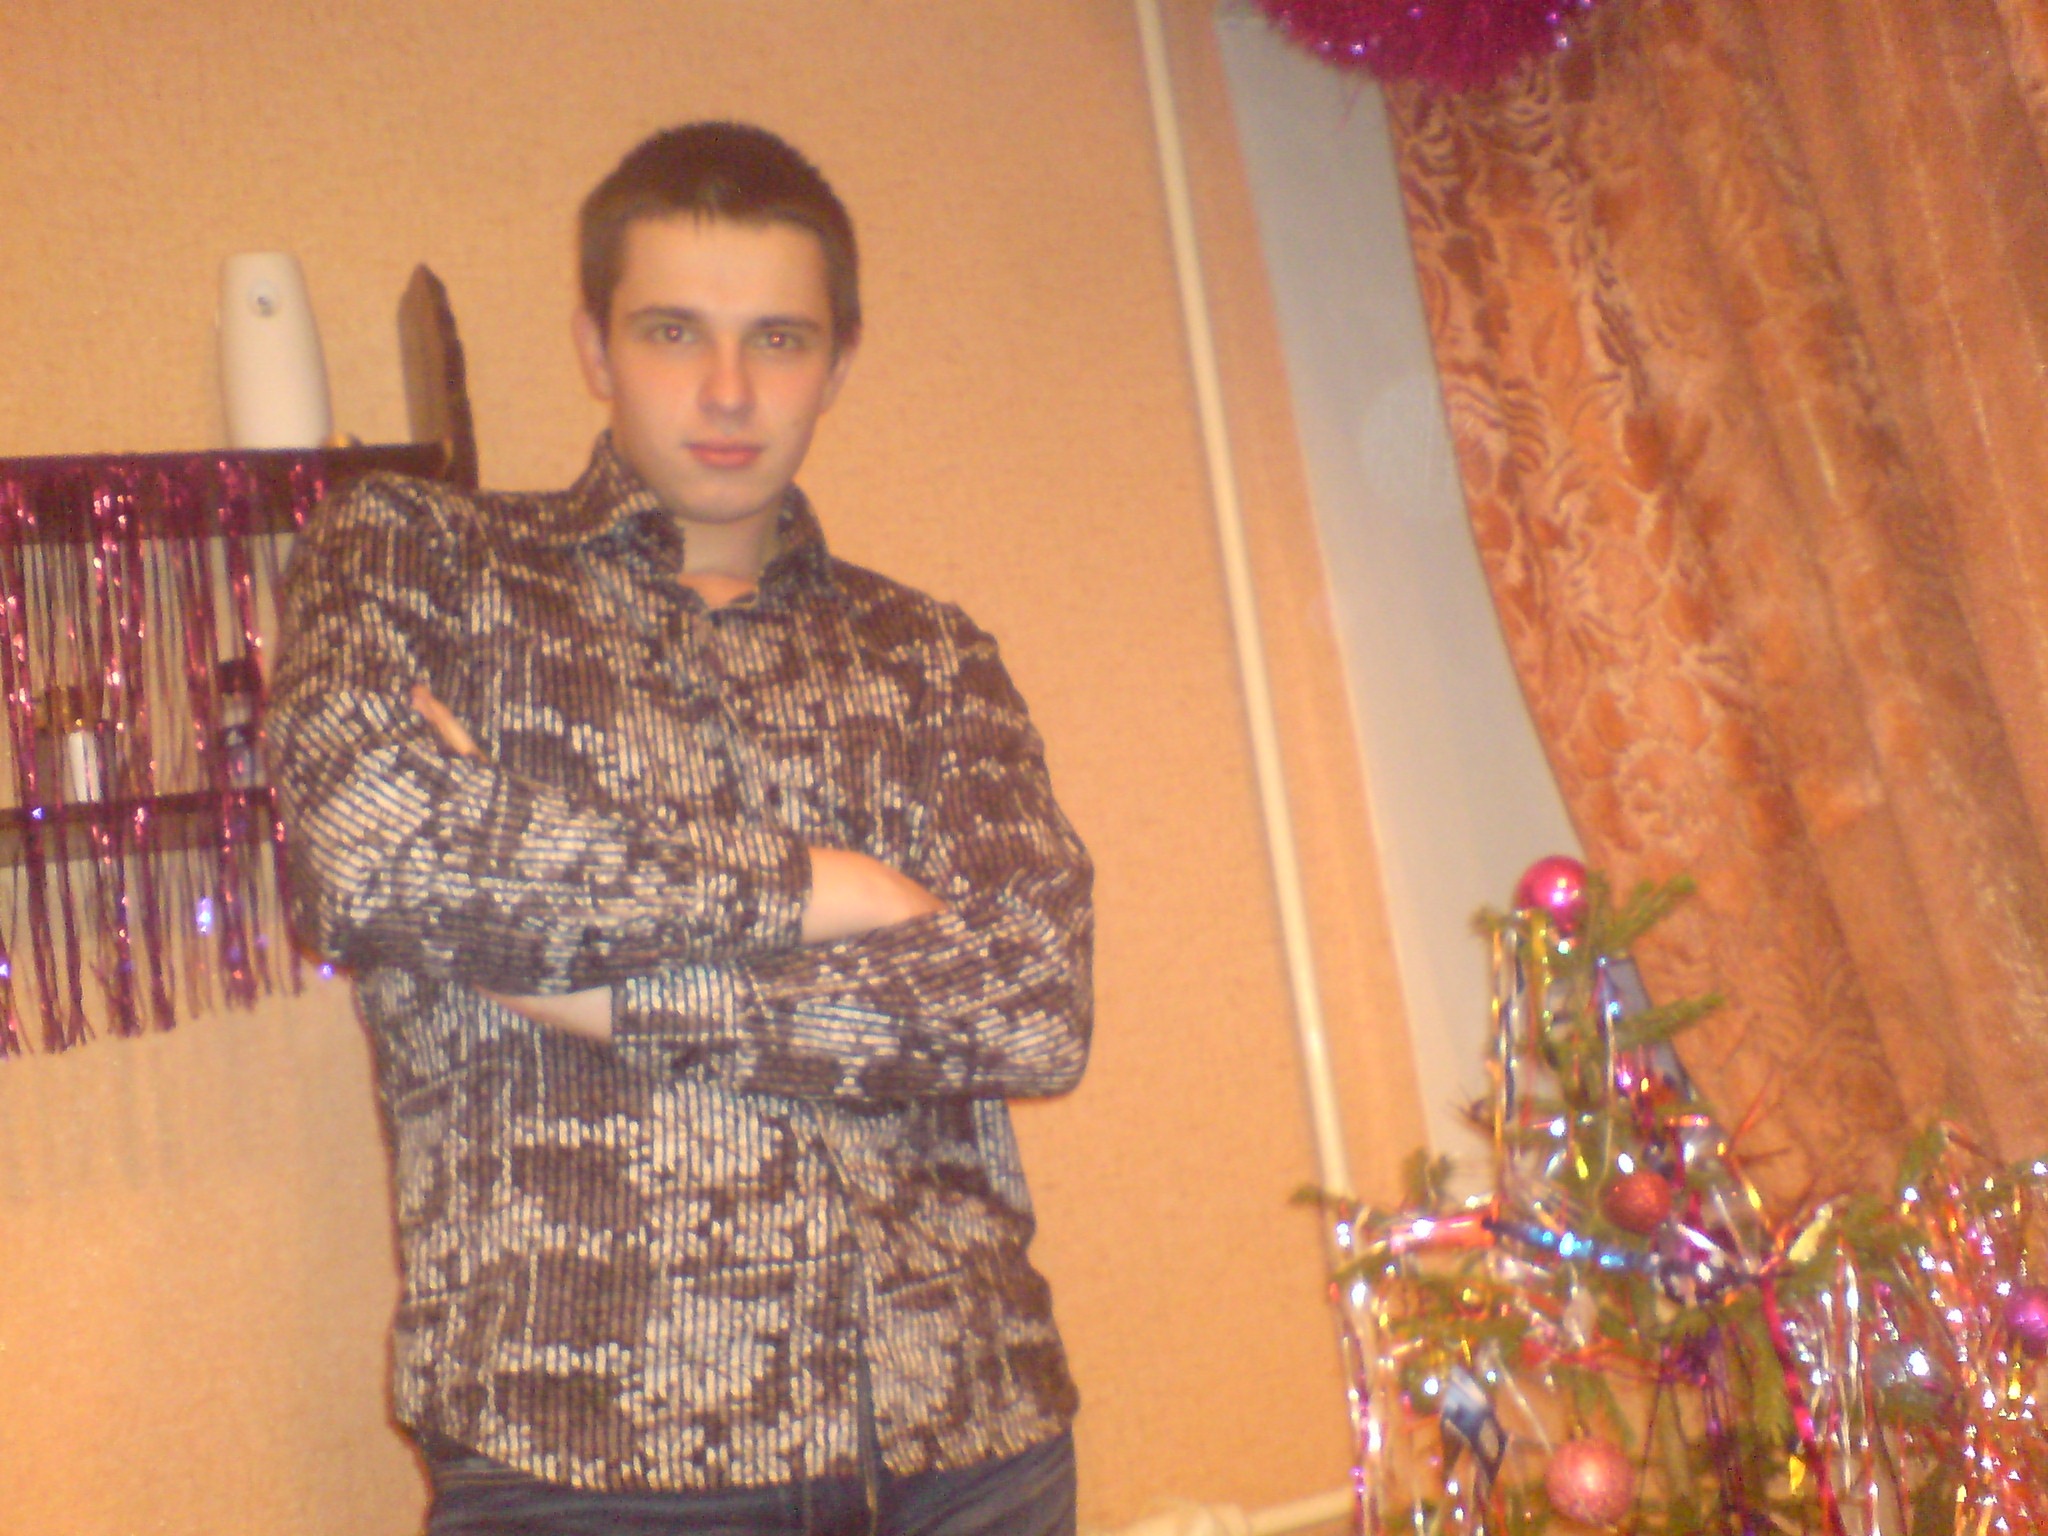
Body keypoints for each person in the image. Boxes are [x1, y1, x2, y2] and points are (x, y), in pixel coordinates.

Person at [267, 121, 1093, 1536]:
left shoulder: (929, 655)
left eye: (778, 339)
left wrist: (591, 994)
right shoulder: (426, 561)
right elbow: (374, 849)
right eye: (672, 332)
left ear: (838, 360)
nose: (728, 390)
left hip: (976, 1443)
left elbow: (1031, 1005)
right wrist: (825, 889)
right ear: (594, 345)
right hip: (589, 1464)